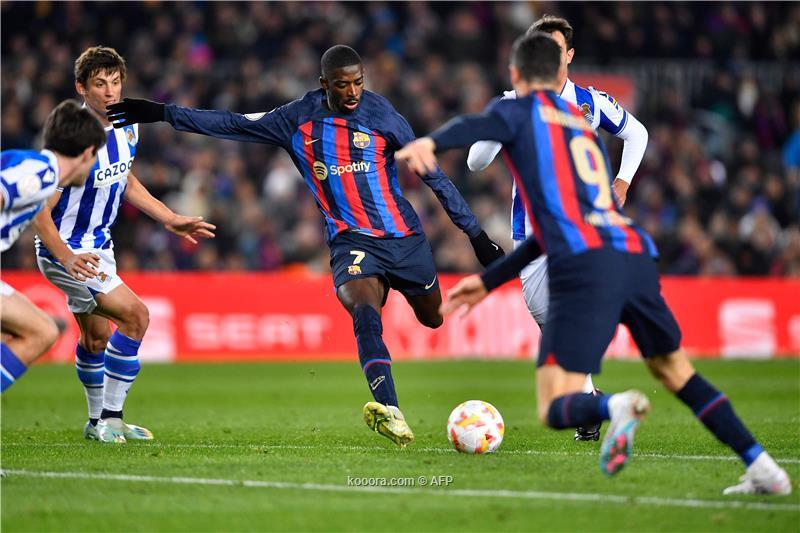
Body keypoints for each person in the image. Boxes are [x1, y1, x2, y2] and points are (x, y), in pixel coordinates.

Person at [396, 32, 790, 494]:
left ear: (517, 74)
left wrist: (430, 141)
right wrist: (490, 281)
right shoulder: (580, 122)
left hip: (584, 261)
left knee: (553, 404)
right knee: (676, 372)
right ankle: (764, 468)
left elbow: (471, 132)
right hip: (632, 250)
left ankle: (613, 406)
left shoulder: (519, 109)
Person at [106, 45, 505, 448]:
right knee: (365, 313)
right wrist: (162, 112)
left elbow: (435, 177)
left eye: (358, 82)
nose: (352, 92)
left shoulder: (383, 115)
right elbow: (231, 122)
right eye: (342, 85)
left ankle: (399, 365)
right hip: (351, 242)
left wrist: (476, 236)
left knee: (433, 318)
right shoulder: (296, 118)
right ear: (323, 84)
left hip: (405, 240)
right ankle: (391, 410)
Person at [468, 15, 649, 442]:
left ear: (569, 55)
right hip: (530, 232)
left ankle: (590, 404)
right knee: (547, 315)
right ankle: (590, 397)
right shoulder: (513, 102)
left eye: (555, 49)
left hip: (582, 229)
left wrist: (622, 182)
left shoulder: (590, 103)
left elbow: (637, 134)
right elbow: (476, 162)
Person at [34, 46, 216, 444]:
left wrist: (168, 217)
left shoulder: (128, 124)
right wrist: (66, 256)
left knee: (96, 338)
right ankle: (112, 419)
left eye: (115, 82)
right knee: (136, 316)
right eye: (99, 83)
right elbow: (39, 209)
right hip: (67, 250)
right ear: (81, 87)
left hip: (100, 245)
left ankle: (95, 422)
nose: (109, 91)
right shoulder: (71, 137)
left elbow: (126, 179)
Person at [2, 100, 106, 392]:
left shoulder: (37, 172)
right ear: (87, 153)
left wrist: (67, 257)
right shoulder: (42, 174)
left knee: (41, 330)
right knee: (40, 332)